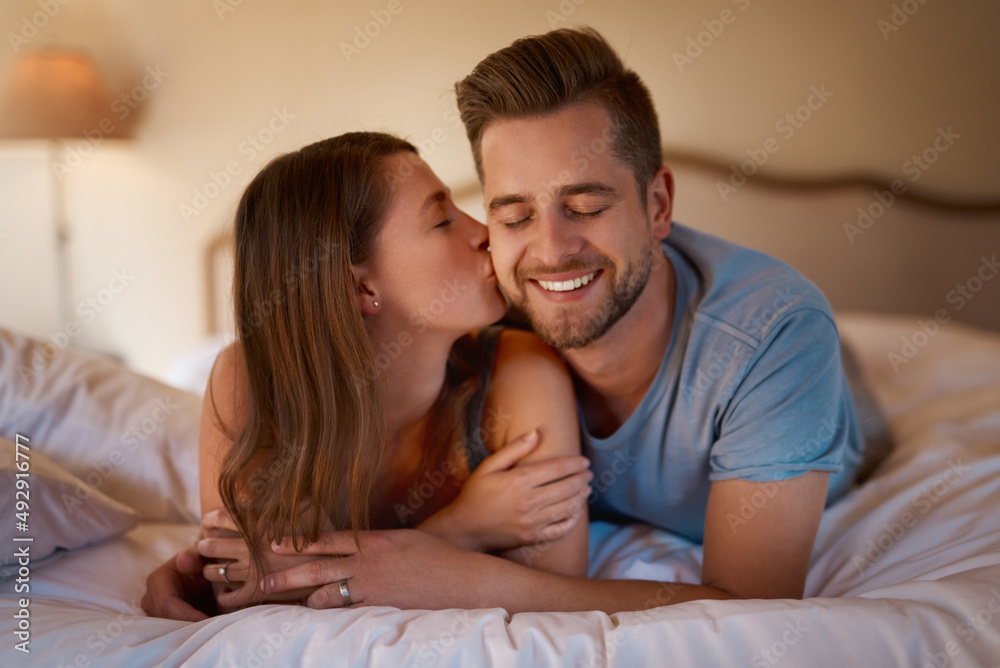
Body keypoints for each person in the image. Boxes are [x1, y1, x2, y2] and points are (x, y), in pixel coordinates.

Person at [147, 26, 867, 617]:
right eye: (511, 212)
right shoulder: (489, 294)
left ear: (657, 206)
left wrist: (441, 570)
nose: (546, 249)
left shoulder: (774, 337)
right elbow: (245, 574)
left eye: (586, 206)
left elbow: (752, 611)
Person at [141, 132, 592, 619]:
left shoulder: (523, 371)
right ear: (360, 285)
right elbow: (252, 591)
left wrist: (339, 561)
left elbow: (556, 595)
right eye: (442, 220)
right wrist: (458, 530)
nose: (485, 231)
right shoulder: (247, 383)